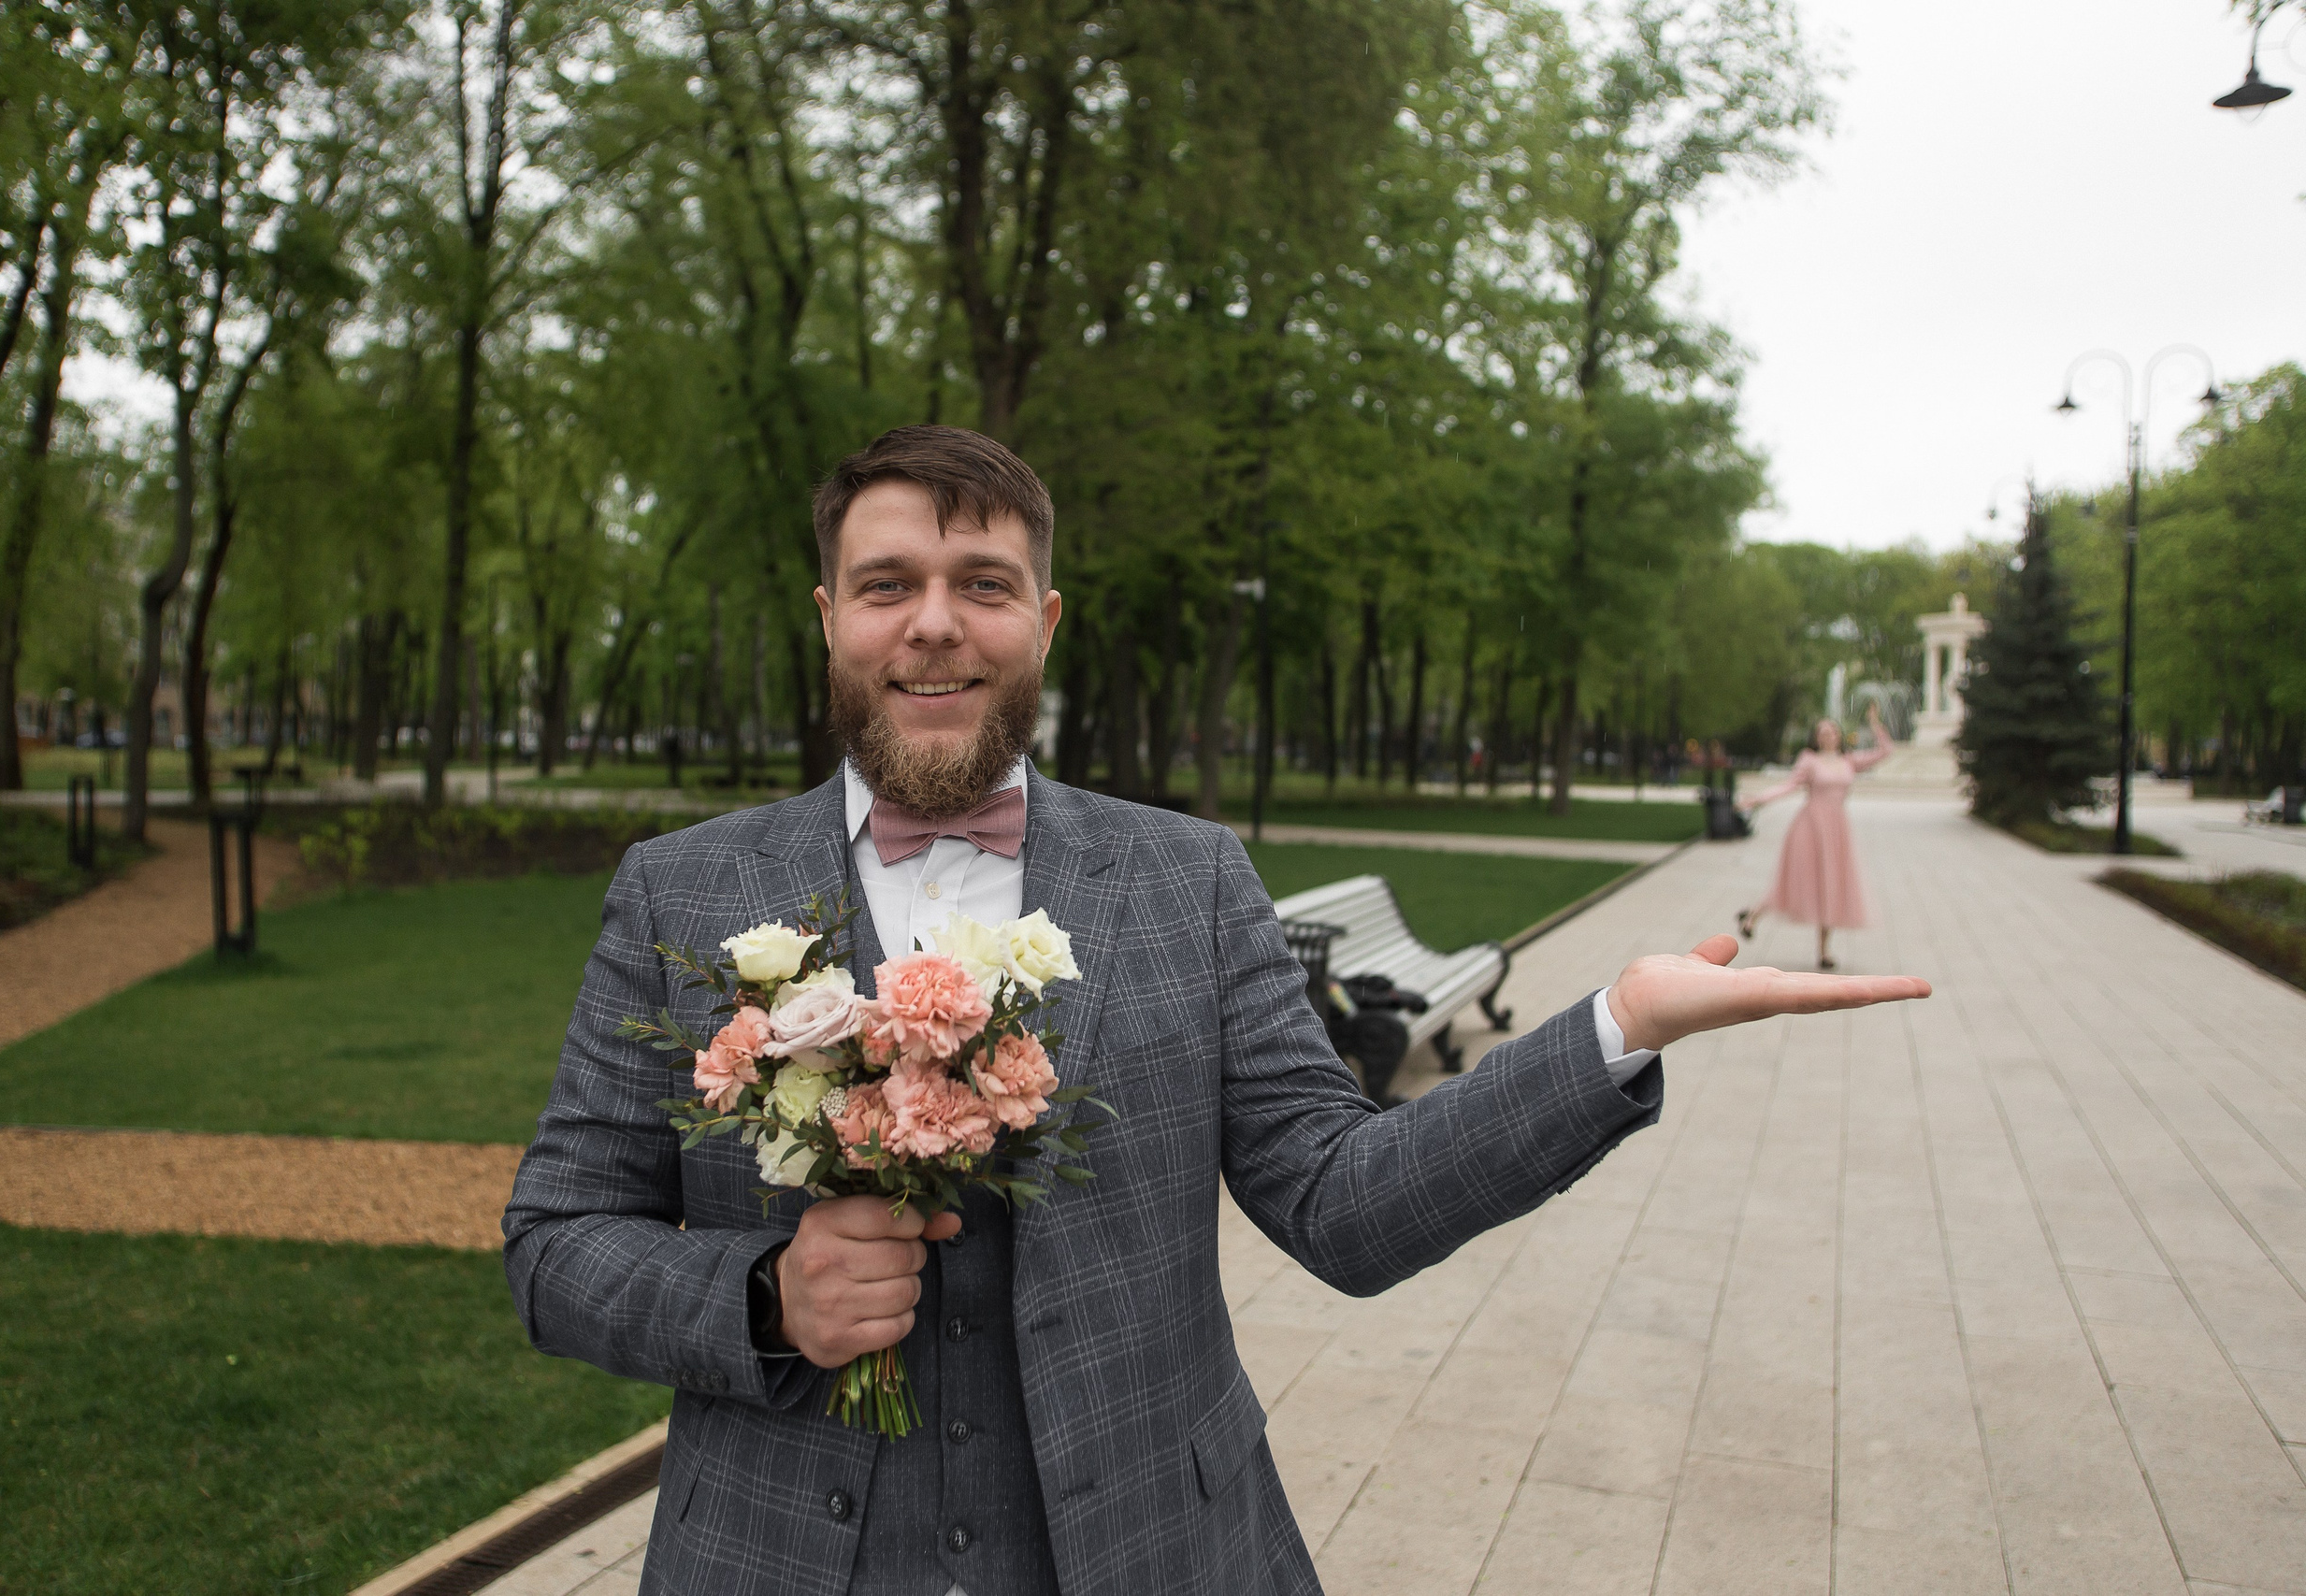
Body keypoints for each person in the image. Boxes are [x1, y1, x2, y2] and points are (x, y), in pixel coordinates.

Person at [501, 426, 1930, 1596]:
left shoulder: (1189, 880)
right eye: (887, 582)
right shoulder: (681, 891)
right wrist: (758, 1295)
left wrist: (1613, 1027)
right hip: (774, 1558)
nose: (934, 621)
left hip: (1152, 1545)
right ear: (829, 615)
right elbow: (555, 1241)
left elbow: (1343, 1199)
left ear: (1045, 621)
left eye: (983, 581)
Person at [1737, 705, 1894, 971]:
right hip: (1809, 829)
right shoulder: (1809, 760)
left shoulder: (1849, 761)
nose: (1828, 736)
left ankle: (1824, 952)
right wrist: (1758, 800)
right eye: (1822, 732)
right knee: (1793, 881)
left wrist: (1875, 723)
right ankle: (1752, 916)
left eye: (1832, 731)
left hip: (1836, 830)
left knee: (1831, 885)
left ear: (1839, 736)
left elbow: (1886, 752)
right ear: (1816, 737)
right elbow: (1789, 785)